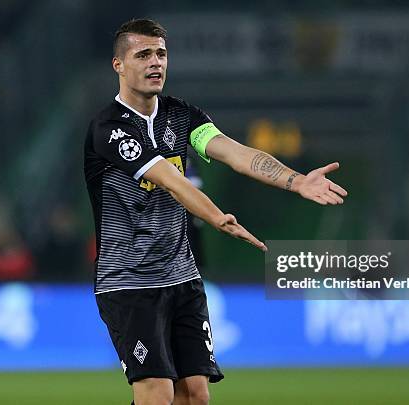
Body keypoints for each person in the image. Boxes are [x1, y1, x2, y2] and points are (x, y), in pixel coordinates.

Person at [83, 19, 348, 405]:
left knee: (195, 395)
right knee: (156, 394)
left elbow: (238, 154)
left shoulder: (183, 116)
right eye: (143, 55)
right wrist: (217, 217)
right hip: (130, 282)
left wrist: (297, 181)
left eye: (161, 54)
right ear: (118, 65)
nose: (155, 62)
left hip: (181, 276)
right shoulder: (108, 128)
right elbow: (172, 180)